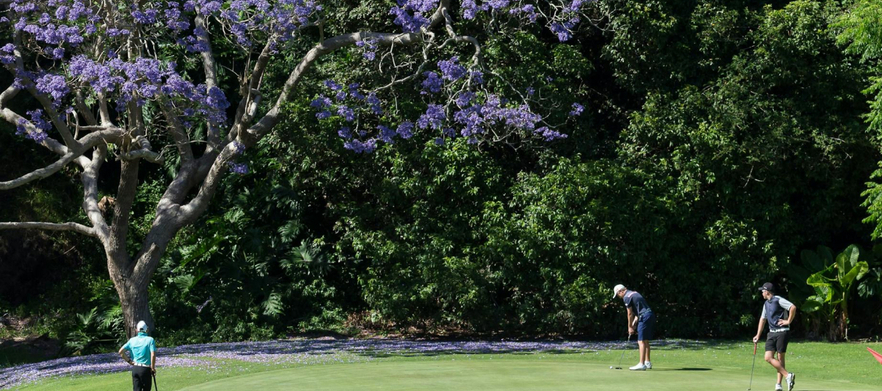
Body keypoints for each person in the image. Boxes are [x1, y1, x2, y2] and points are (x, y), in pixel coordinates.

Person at [752, 282, 796, 391]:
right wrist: (758, 335)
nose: (762, 293)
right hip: (771, 332)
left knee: (780, 358)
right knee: (768, 357)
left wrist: (788, 321)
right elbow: (763, 319)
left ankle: (778, 385)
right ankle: (788, 376)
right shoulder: (766, 304)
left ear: (767, 291)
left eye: (763, 291)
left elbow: (792, 307)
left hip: (782, 331)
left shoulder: (778, 299)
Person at [613, 284, 656, 371]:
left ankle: (641, 364)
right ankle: (647, 362)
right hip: (650, 315)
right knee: (645, 340)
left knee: (640, 341)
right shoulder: (634, 293)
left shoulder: (626, 297)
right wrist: (635, 321)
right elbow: (640, 309)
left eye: (618, 294)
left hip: (644, 317)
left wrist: (630, 327)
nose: (619, 297)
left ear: (621, 291)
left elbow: (629, 313)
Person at [119, 320, 156, 391]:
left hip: (135, 368)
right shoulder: (150, 340)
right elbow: (153, 354)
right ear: (147, 330)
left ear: (136, 330)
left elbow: (121, 352)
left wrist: (129, 361)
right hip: (145, 369)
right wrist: (153, 368)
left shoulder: (132, 340)